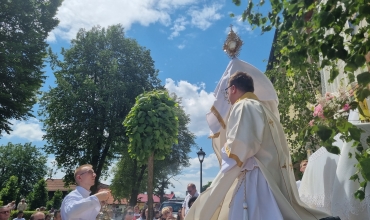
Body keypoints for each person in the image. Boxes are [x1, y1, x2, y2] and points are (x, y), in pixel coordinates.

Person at [185, 71, 331, 220]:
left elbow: (242, 144)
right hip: (267, 175)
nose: (227, 95)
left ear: (233, 88)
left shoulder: (242, 106)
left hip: (254, 179)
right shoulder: (264, 109)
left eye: (227, 90)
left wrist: (225, 150)